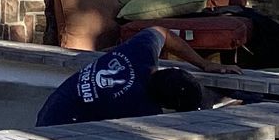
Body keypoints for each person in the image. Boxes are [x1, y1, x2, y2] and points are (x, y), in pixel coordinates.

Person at [35, 27, 210, 127]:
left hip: (54, 105)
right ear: (164, 105)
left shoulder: (141, 53)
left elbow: (162, 32)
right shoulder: (142, 109)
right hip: (57, 129)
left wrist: (204, 64)